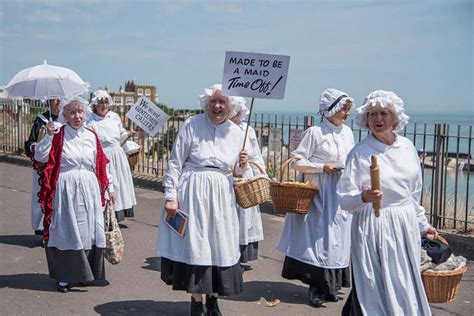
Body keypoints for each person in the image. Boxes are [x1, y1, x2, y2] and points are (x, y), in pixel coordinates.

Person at [336, 90, 438, 315]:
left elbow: (413, 194)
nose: (378, 119)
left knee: (404, 281)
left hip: (404, 224)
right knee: (376, 286)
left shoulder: (407, 148)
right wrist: (364, 197)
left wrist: (423, 224)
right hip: (375, 225)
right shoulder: (360, 154)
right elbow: (344, 199)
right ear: (366, 119)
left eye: (383, 113)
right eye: (372, 114)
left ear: (394, 117)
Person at [156, 84, 248, 316]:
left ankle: (213, 298)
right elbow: (176, 162)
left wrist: (242, 164)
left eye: (222, 102)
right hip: (192, 191)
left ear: (230, 106)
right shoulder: (192, 125)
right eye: (213, 102)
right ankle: (197, 300)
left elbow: (237, 173)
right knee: (196, 245)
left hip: (221, 195)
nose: (217, 106)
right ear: (206, 104)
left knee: (218, 244)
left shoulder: (237, 133)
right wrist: (171, 197)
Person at [277, 88, 355, 307]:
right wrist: (322, 167)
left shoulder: (348, 133)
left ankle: (331, 285)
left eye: (348, 109)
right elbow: (296, 161)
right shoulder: (315, 132)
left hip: (340, 191)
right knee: (320, 238)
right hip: (320, 191)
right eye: (343, 109)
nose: (346, 113)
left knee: (339, 238)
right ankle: (315, 287)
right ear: (331, 109)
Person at [35, 96, 115, 293]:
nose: (77, 116)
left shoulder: (90, 135)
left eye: (80, 112)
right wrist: (48, 135)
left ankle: (84, 274)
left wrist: (110, 188)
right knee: (67, 230)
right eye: (72, 112)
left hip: (89, 187)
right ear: (64, 115)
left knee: (87, 229)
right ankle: (64, 276)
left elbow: (101, 164)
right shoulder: (58, 134)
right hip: (66, 188)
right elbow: (40, 156)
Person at [86, 90, 137, 222]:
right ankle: (104, 214)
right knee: (105, 184)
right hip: (102, 156)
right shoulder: (90, 121)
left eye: (106, 102)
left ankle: (117, 214)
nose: (104, 106)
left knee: (119, 184)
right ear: (95, 105)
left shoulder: (114, 117)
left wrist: (128, 135)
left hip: (117, 156)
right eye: (101, 103)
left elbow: (119, 138)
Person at [229, 104, 265, 272]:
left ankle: (240, 255)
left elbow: (256, 154)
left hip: (246, 177)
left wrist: (260, 175)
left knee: (245, 218)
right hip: (230, 177)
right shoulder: (224, 129)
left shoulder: (247, 130)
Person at [24, 98, 62, 236]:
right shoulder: (41, 120)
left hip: (60, 165)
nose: (58, 101)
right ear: (49, 101)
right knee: (44, 195)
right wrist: (37, 146)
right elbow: (30, 143)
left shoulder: (67, 119)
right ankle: (42, 227)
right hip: (44, 167)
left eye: (61, 98)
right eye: (55, 98)